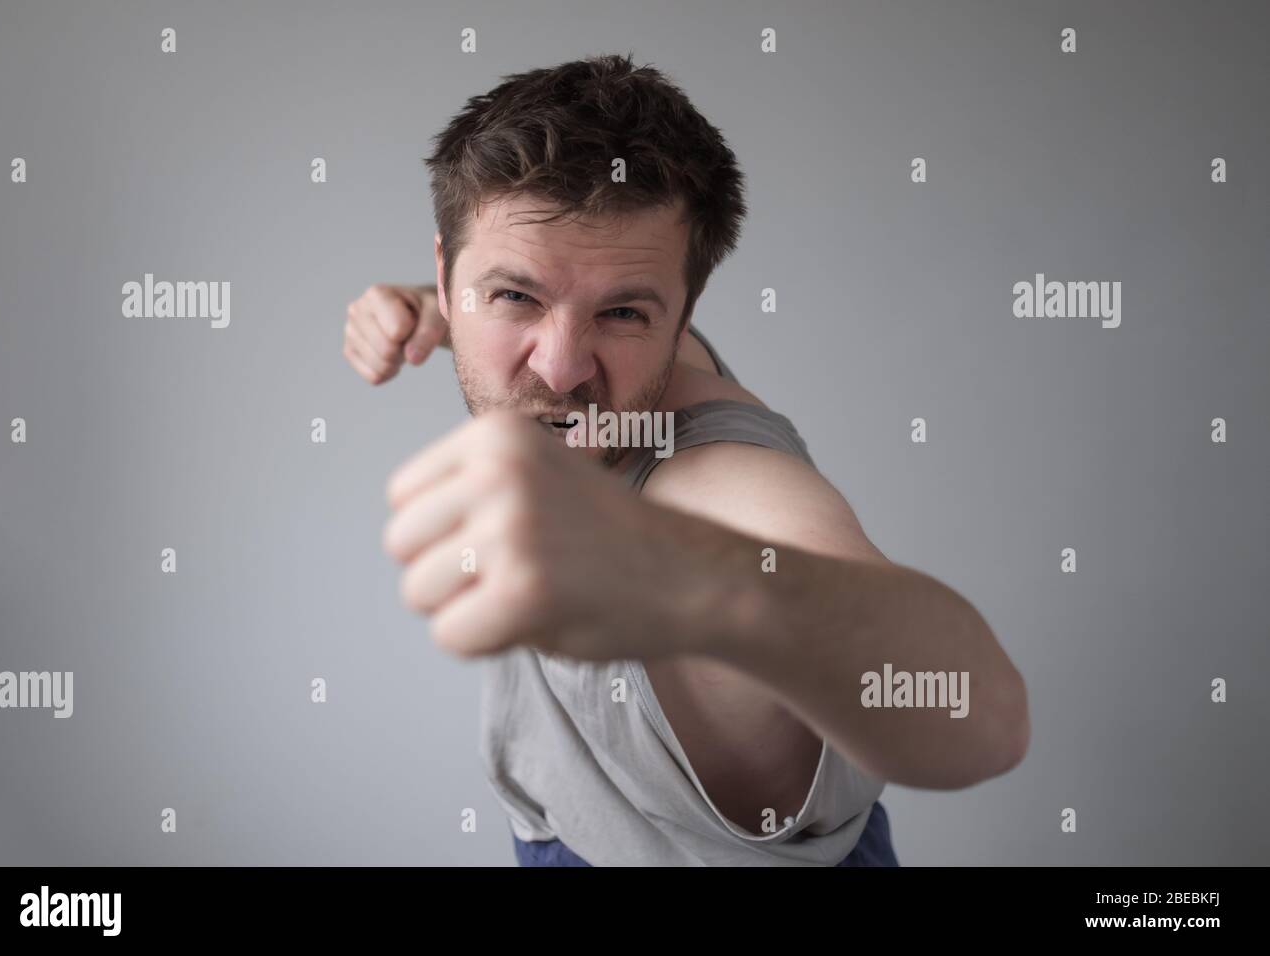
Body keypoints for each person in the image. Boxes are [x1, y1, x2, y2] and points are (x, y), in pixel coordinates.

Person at [345, 54, 1029, 866]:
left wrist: (687, 577)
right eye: (515, 296)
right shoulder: (558, 317)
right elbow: (537, 289)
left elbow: (979, 716)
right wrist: (418, 311)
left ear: (683, 318)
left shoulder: (719, 477)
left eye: (624, 313)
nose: (562, 368)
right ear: (446, 272)